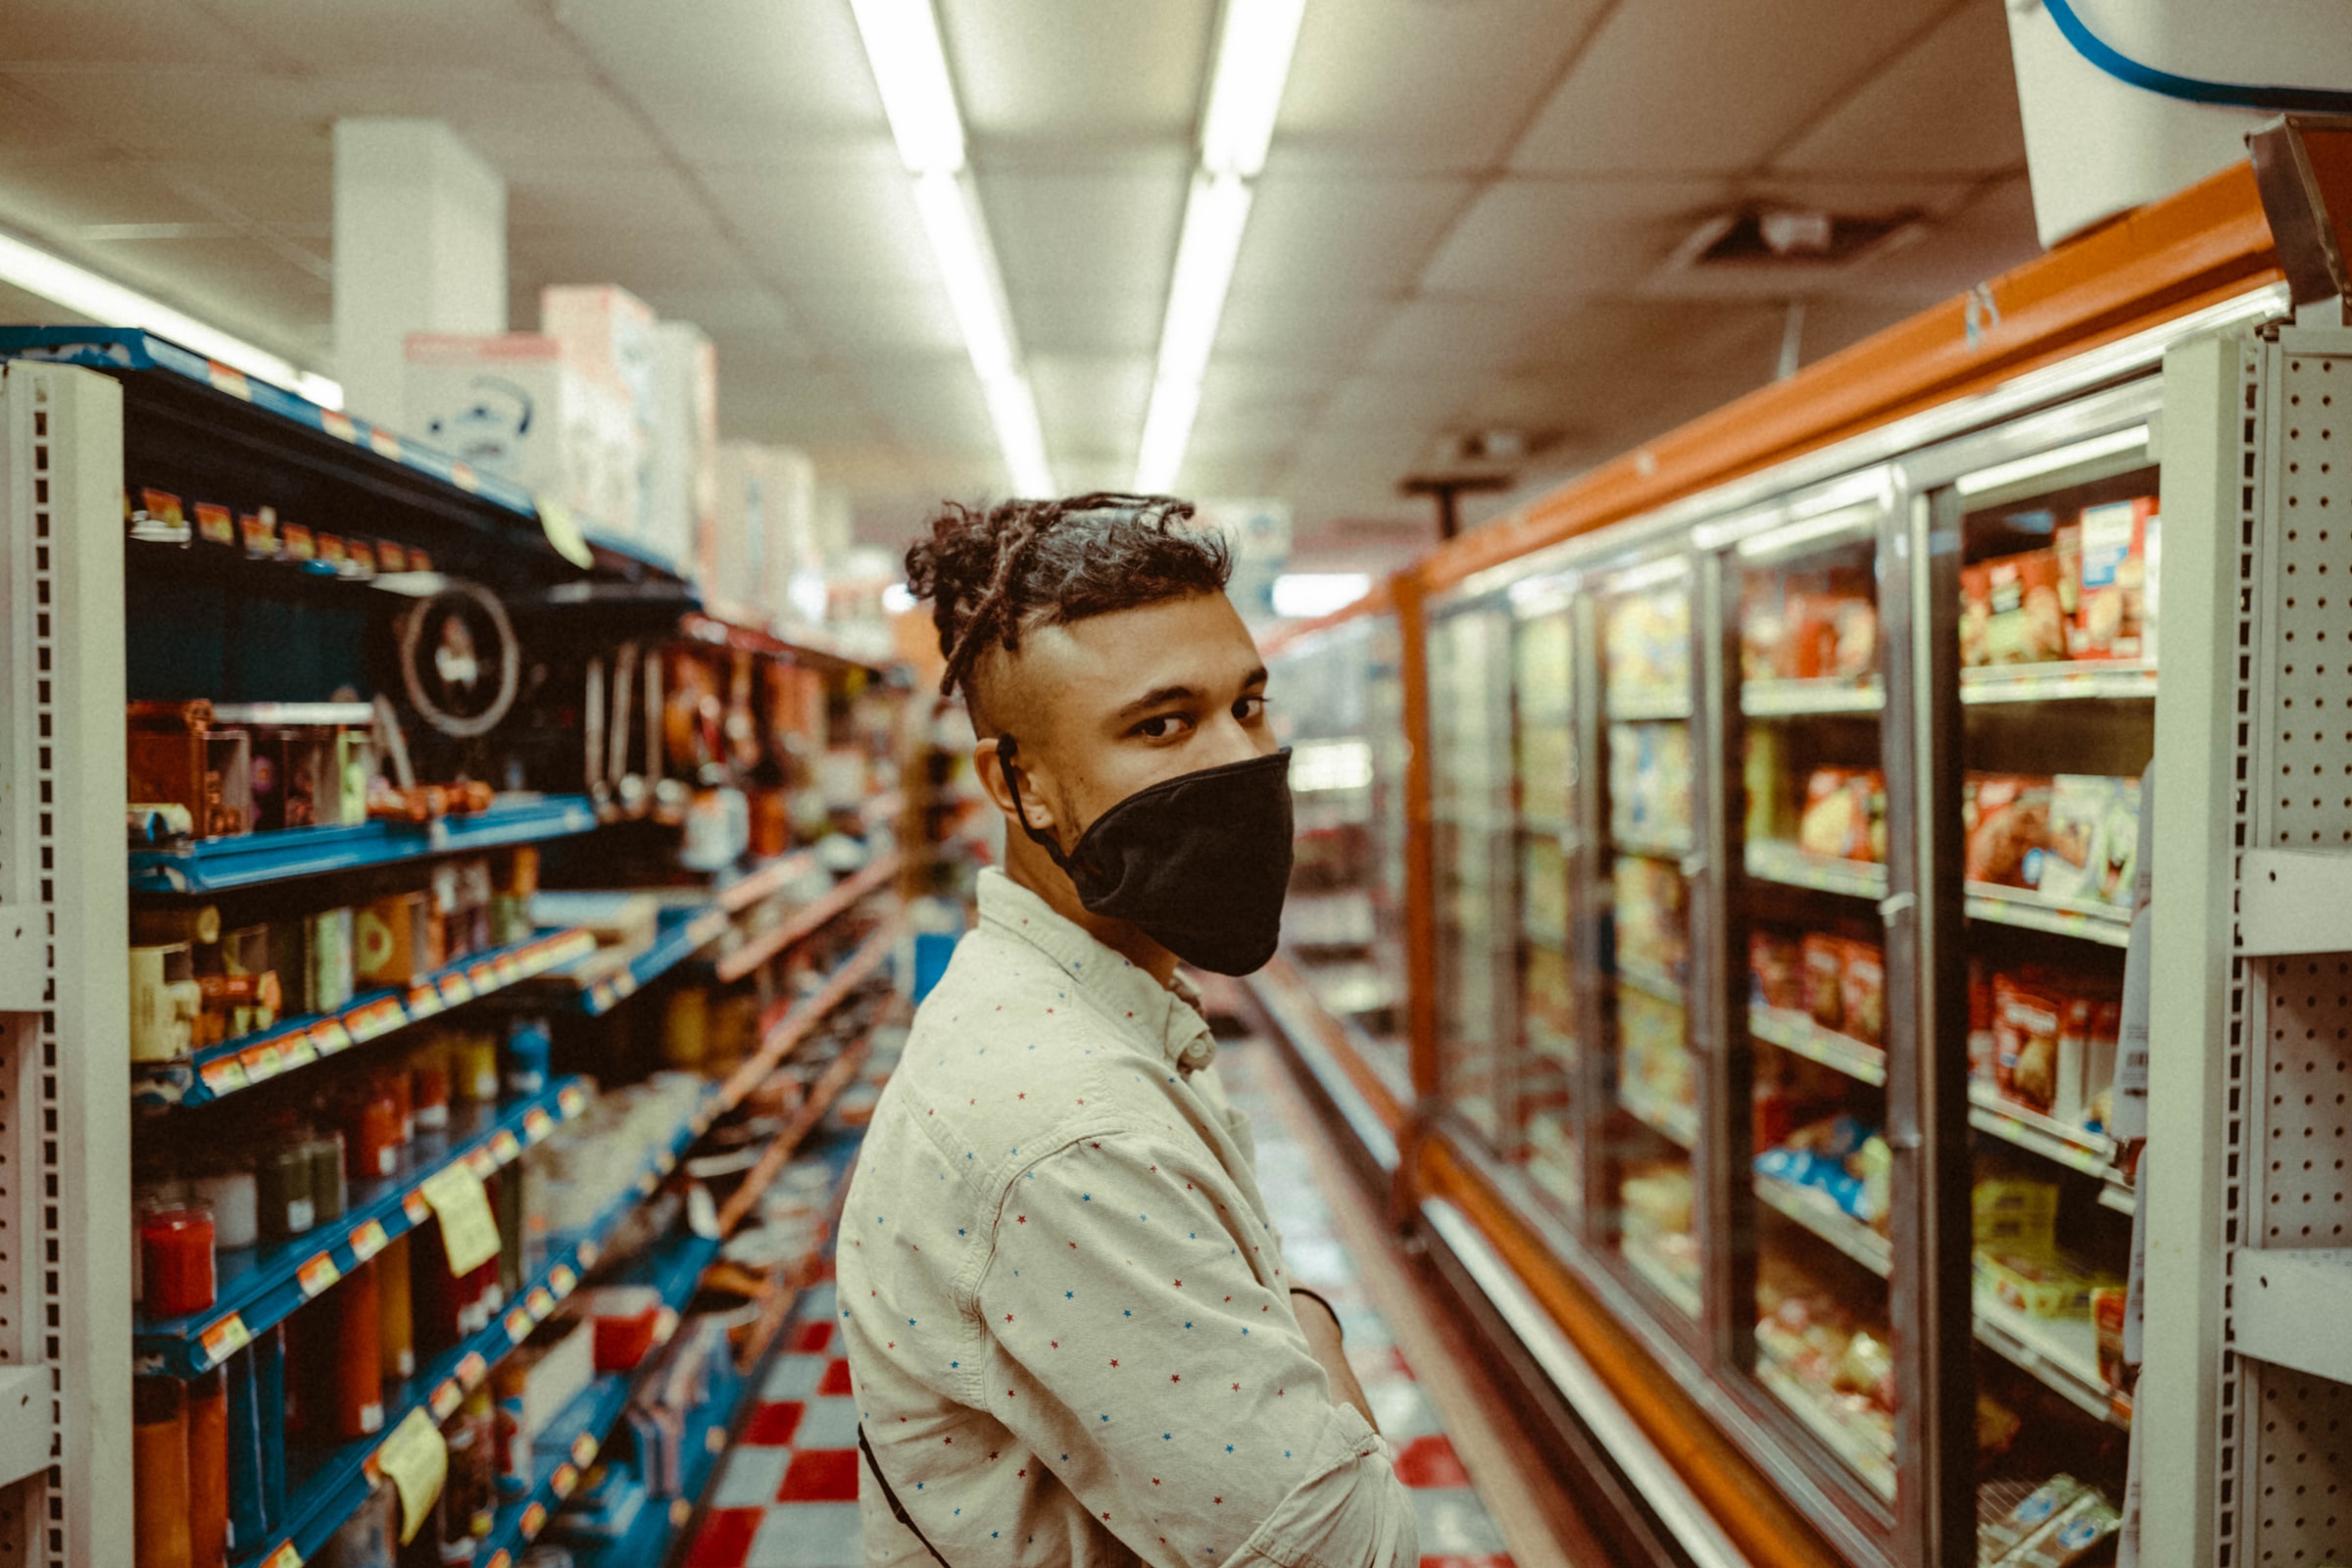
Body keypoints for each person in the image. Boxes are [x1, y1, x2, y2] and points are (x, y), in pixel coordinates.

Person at [837, 495, 1417, 1566]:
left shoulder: (1090, 997)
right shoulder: (1069, 1137)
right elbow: (1352, 1548)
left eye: (1249, 705)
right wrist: (1311, 1327)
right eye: (1160, 725)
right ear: (1019, 783)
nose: (1236, 761)